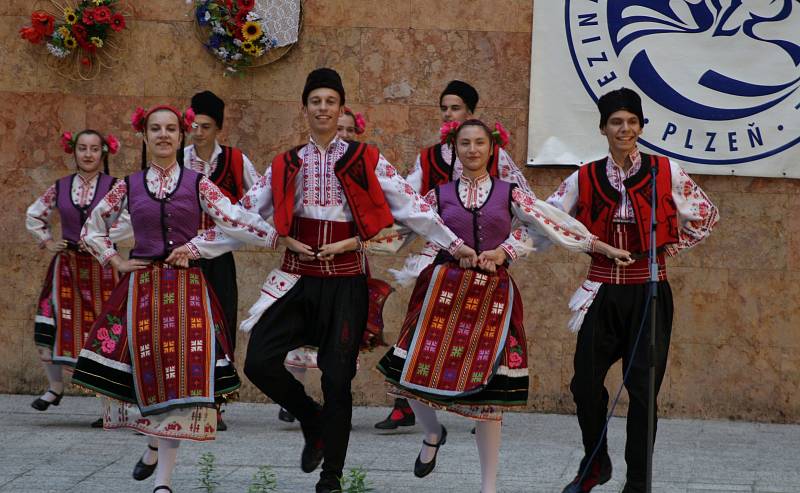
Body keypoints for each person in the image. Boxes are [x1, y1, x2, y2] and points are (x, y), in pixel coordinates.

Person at [174, 67, 478, 493]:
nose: (322, 108)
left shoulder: (364, 158)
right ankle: (312, 419)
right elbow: (243, 211)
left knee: (337, 378)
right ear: (305, 108)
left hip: (345, 281)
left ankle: (331, 476)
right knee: (258, 360)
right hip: (297, 277)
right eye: (315, 101)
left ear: (340, 109)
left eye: (330, 101)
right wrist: (197, 246)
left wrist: (455, 243)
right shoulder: (287, 162)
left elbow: (411, 207)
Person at [377, 119, 633, 493]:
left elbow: (549, 223)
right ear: (454, 148)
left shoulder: (509, 193)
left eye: (480, 143)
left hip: (492, 298)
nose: (473, 150)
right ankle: (432, 433)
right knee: (406, 375)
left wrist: (507, 250)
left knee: (489, 395)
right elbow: (397, 229)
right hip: (442, 292)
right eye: (464, 143)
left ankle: (488, 487)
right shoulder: (438, 195)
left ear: (492, 147)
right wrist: (349, 244)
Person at [72, 105, 271, 493]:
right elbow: (91, 230)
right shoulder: (127, 186)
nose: (163, 135)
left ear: (181, 138)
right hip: (142, 290)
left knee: (180, 381)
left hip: (185, 291)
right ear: (144, 136)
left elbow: (235, 219)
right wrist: (114, 259)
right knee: (150, 376)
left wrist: (277, 238)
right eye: (155, 129)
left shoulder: (198, 184)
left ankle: (162, 482)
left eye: (171, 130)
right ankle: (153, 447)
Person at [550, 88, 719, 493]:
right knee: (584, 384)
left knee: (643, 393)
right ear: (603, 128)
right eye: (616, 122)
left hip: (650, 292)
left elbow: (707, 216)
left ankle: (638, 482)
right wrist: (590, 244)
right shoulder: (584, 176)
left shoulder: (667, 171)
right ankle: (595, 464)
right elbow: (551, 217)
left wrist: (666, 250)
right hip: (602, 291)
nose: (624, 129)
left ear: (641, 126)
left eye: (631, 121)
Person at [277, 104, 379, 425]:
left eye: (350, 130)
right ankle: (293, 396)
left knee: (342, 338)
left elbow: (379, 220)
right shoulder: (305, 163)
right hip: (306, 260)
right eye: (341, 129)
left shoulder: (363, 167)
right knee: (299, 328)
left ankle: (335, 403)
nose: (344, 134)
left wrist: (351, 243)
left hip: (347, 265)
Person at [26, 129, 126, 428]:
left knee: (108, 335)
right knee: (48, 326)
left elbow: (131, 219)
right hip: (67, 267)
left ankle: (112, 409)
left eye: (94, 149)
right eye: (82, 148)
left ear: (103, 153)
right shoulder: (61, 187)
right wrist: (46, 241)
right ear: (74, 151)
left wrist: (102, 239)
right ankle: (55, 388)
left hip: (102, 269)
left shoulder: (117, 187)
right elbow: (34, 214)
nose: (88, 154)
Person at [185, 89, 262, 431]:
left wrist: (236, 224)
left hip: (218, 257)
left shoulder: (235, 160)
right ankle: (184, 397)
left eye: (205, 126)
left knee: (220, 325)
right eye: (194, 125)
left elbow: (259, 197)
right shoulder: (176, 158)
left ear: (218, 128)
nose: (198, 132)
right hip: (182, 257)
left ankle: (216, 401)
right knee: (184, 325)